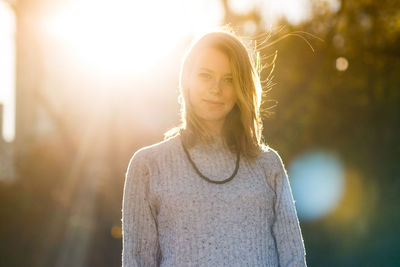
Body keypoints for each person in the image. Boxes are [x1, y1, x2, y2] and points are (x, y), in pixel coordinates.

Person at [122, 29, 307, 267]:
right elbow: (137, 262)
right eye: (205, 75)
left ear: (242, 87)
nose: (216, 89)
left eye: (229, 79)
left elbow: (294, 258)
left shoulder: (267, 163)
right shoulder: (148, 166)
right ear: (186, 80)